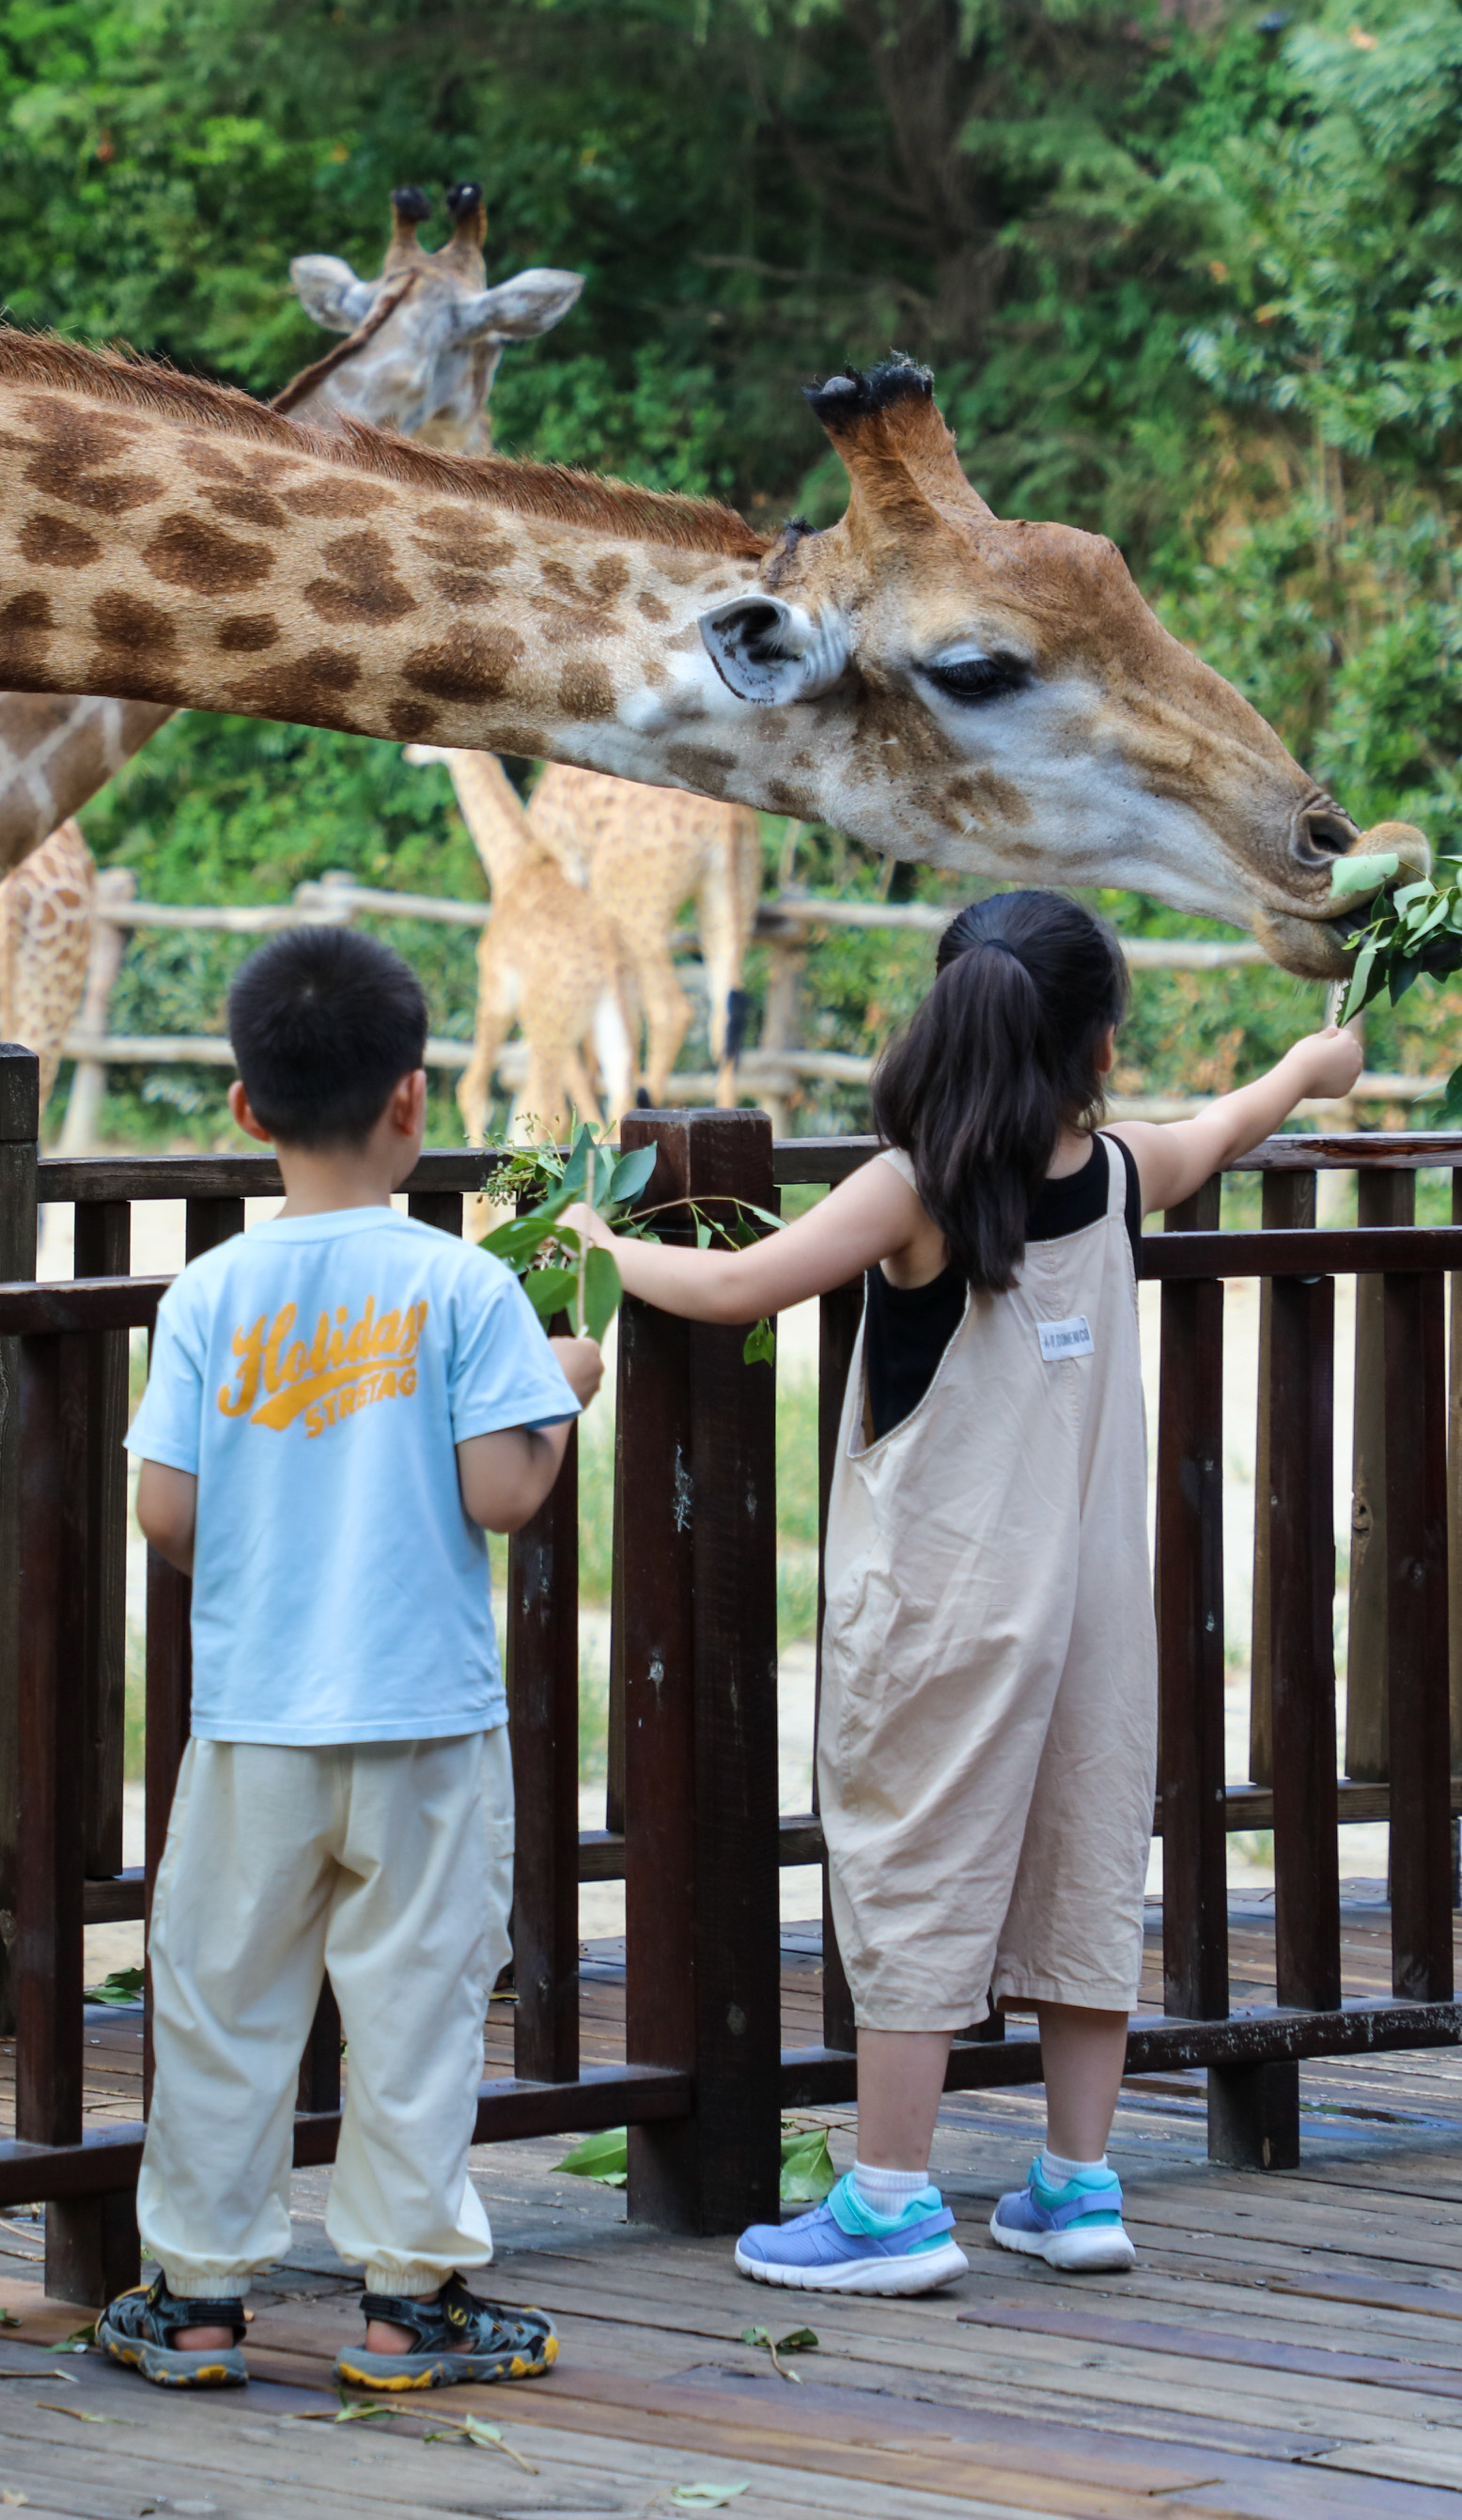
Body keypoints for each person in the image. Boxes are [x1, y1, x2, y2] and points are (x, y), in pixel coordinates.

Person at [570, 889, 1361, 2295]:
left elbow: (742, 1283)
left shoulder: (915, 1184)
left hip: (945, 1604)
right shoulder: (1114, 1174)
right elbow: (1221, 1129)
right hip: (1090, 1607)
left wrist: (592, 1241)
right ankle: (1076, 2182)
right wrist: (1306, 1068)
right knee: (1081, 1857)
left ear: (942, 1017)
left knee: (916, 1863)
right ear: (1098, 1040)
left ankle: (889, 2200)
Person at [104, 926, 603, 2393]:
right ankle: (409, 2304)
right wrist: (563, 1394)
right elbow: (501, 1493)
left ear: (247, 1111)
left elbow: (167, 1510)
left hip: (256, 1716)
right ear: (413, 1099)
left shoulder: (207, 1292)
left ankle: (195, 2299)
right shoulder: (461, 1284)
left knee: (223, 1999)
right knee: (417, 2007)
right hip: (426, 1722)